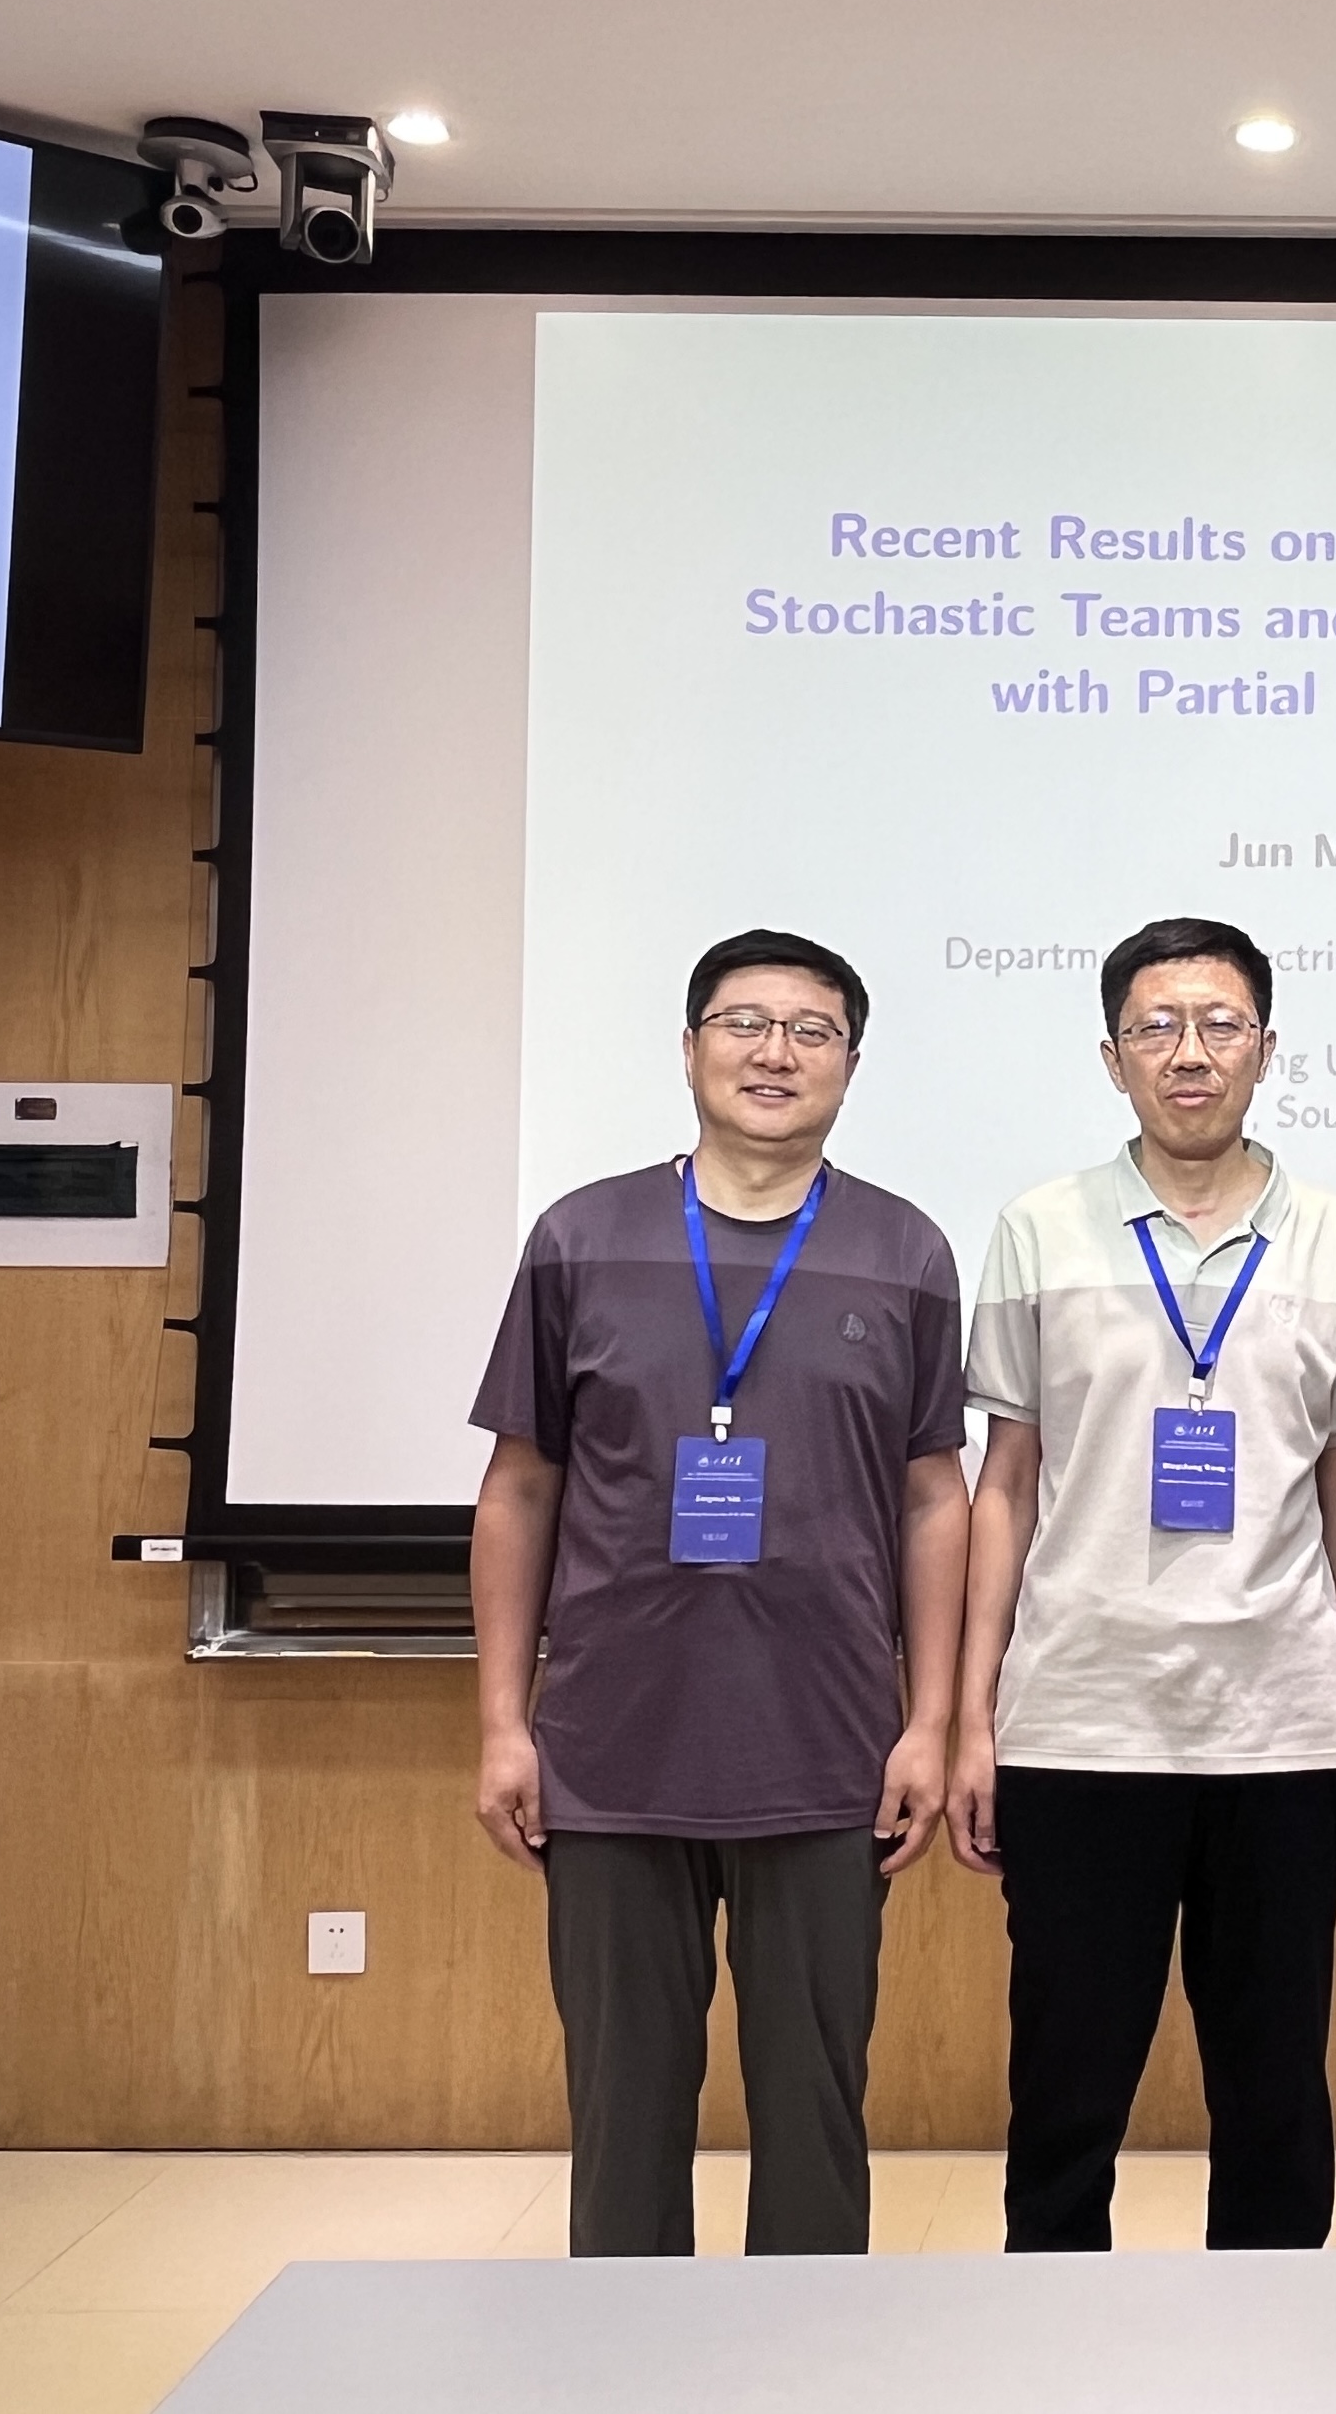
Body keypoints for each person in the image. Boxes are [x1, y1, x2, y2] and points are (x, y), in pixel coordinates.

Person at [465, 927, 970, 2258]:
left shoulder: (904, 1249)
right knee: (623, 2118)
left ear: (850, 1064)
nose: (775, 1052)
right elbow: (520, 1490)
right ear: (690, 1048)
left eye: (812, 1030)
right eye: (745, 1022)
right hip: (612, 1751)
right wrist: (505, 1724)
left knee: (815, 2117)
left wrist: (927, 1723)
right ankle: (625, 2358)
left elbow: (935, 1497)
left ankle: (806, 2358)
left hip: (829, 1753)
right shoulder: (581, 1237)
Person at [948, 915, 1336, 2253]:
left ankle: (1269, 2346)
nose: (1188, 1052)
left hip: (1282, 1729)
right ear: (1113, 1057)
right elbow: (1004, 1482)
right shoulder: (1039, 1228)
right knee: (1066, 2091)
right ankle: (1054, 2342)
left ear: (1265, 1047)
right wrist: (974, 1719)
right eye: (1156, 1027)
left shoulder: (1335, 1236)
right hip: (1079, 1721)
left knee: (1274, 2092)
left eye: (1219, 1024)